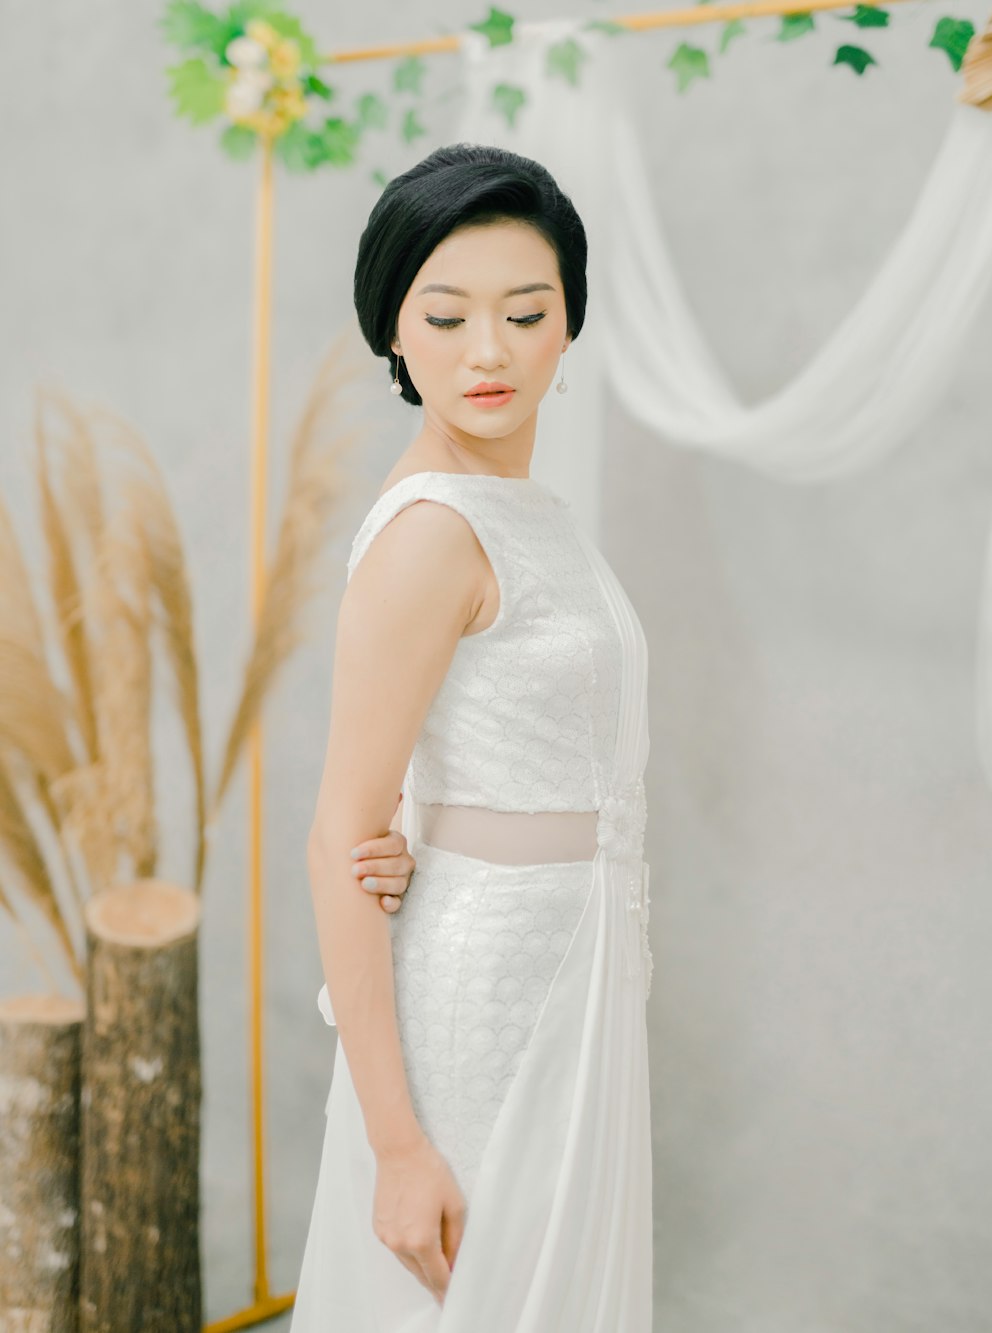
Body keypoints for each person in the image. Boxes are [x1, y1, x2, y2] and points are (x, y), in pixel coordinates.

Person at [291, 142, 653, 1333]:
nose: (488, 351)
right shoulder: (431, 532)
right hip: (484, 990)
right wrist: (399, 1145)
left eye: (524, 311)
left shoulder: (524, 510)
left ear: (568, 324)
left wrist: (419, 821)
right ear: (394, 332)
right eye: (444, 316)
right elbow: (339, 829)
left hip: (573, 962)